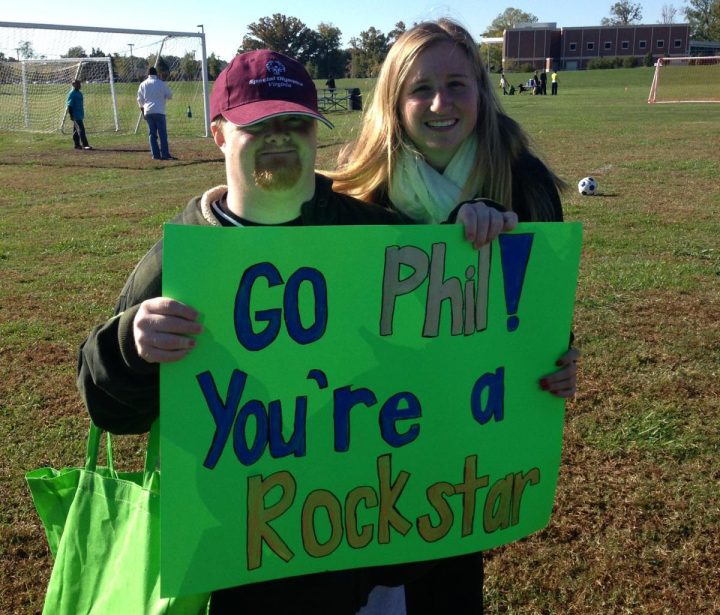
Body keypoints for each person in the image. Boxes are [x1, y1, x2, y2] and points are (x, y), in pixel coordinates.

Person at [77, 48, 512, 615]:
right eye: (258, 124)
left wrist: (473, 235)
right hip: (242, 559)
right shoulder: (181, 260)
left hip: (362, 550)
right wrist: (130, 345)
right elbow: (110, 409)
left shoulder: (373, 235)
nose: (280, 138)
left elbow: (450, 340)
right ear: (218, 135)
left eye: (296, 124)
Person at [329, 21, 580, 610]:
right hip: (371, 427)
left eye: (456, 84)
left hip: (466, 429)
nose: (440, 104)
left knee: (449, 569)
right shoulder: (355, 190)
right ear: (393, 97)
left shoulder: (523, 180)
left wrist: (558, 357)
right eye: (420, 89)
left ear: (482, 92)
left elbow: (538, 311)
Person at [137, 66, 175, 160]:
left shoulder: (143, 84)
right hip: (159, 111)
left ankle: (155, 155)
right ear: (156, 74)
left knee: (152, 134)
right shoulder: (161, 83)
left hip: (148, 111)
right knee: (162, 134)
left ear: (148, 74)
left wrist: (143, 112)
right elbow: (170, 95)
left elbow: (140, 100)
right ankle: (165, 154)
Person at [66, 79, 92, 150]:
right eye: (78, 84)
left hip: (80, 114)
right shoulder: (72, 93)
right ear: (74, 85)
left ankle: (77, 145)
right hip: (76, 115)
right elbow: (69, 105)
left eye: (80, 84)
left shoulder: (79, 93)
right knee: (81, 129)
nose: (80, 85)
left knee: (76, 131)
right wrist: (71, 115)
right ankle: (85, 145)